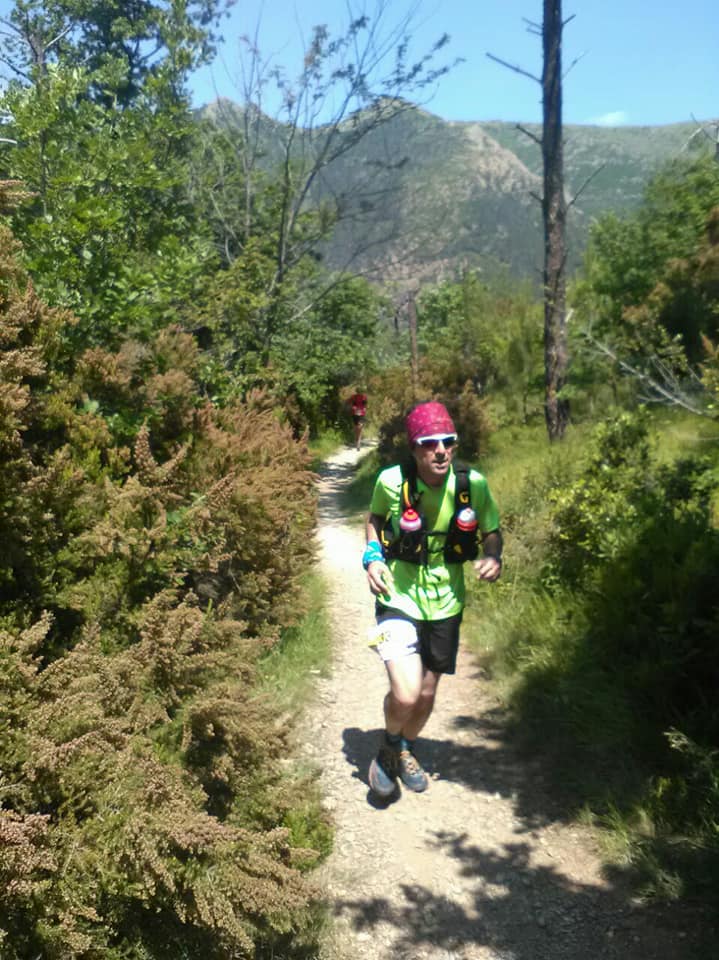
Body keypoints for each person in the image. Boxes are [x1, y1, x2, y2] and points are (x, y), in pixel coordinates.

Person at [362, 400, 502, 797]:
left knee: (426, 693)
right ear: (415, 449)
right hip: (398, 596)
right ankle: (389, 746)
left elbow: (491, 529)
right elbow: (372, 521)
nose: (440, 450)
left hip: (447, 602)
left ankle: (406, 748)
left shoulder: (472, 484)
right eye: (429, 443)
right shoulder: (391, 482)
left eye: (447, 442)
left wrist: (493, 555)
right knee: (405, 692)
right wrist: (372, 559)